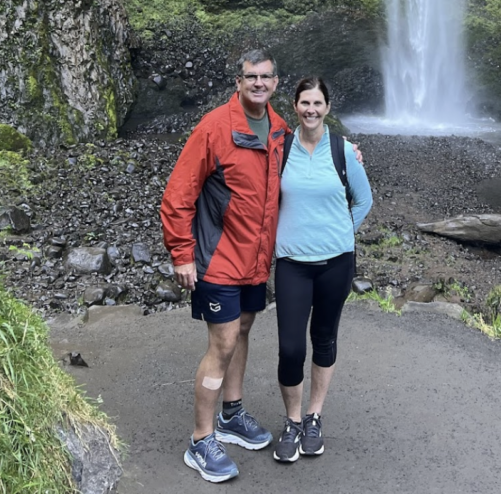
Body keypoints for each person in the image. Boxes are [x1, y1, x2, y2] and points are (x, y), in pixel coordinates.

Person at [160, 48, 287, 483]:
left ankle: (232, 414)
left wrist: (351, 154)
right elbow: (177, 195)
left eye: (265, 77)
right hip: (217, 258)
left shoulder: (278, 130)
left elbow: (309, 160)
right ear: (238, 82)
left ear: (275, 83)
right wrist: (181, 254)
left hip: (255, 259)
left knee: (244, 329)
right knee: (224, 341)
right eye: (250, 76)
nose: (258, 83)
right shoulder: (215, 128)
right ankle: (201, 439)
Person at [272, 76, 373, 464]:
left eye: (318, 103)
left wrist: (341, 232)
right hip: (293, 264)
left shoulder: (343, 150)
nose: (311, 110)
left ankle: (313, 416)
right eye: (304, 103)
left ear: (327, 108)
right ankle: (292, 421)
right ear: (295, 107)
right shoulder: (281, 149)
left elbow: (363, 200)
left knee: (325, 339)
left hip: (336, 262)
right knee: (290, 348)